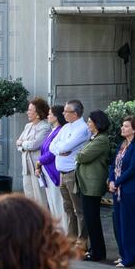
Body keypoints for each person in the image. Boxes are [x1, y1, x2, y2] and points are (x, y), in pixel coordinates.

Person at [108, 115, 135, 267]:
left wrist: (117, 182)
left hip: (130, 190)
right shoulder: (123, 145)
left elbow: (132, 169)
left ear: (134, 129)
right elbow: (113, 164)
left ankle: (130, 257)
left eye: (126, 126)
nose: (122, 128)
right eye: (123, 125)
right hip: (118, 190)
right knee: (118, 222)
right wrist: (111, 179)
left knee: (129, 224)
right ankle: (123, 254)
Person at [73, 110, 113, 262]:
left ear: (97, 124)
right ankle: (95, 249)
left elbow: (82, 156)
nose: (88, 124)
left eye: (90, 122)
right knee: (90, 219)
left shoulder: (101, 140)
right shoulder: (94, 138)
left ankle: (97, 252)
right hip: (86, 184)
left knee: (92, 219)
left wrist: (79, 155)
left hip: (92, 184)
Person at [49, 100, 91, 242]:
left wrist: (61, 149)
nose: (63, 113)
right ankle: (71, 238)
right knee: (68, 208)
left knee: (78, 209)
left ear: (75, 113)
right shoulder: (66, 127)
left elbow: (65, 147)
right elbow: (52, 146)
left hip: (73, 173)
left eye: (66, 111)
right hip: (62, 173)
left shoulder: (82, 129)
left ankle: (82, 240)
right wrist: (61, 151)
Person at [18, 97, 55, 214]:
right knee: (28, 198)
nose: (27, 112)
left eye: (30, 110)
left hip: (38, 167)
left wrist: (23, 144)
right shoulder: (27, 126)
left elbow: (35, 144)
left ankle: (44, 225)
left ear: (38, 113)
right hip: (26, 167)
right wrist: (23, 145)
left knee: (40, 198)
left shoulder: (45, 127)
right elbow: (17, 143)